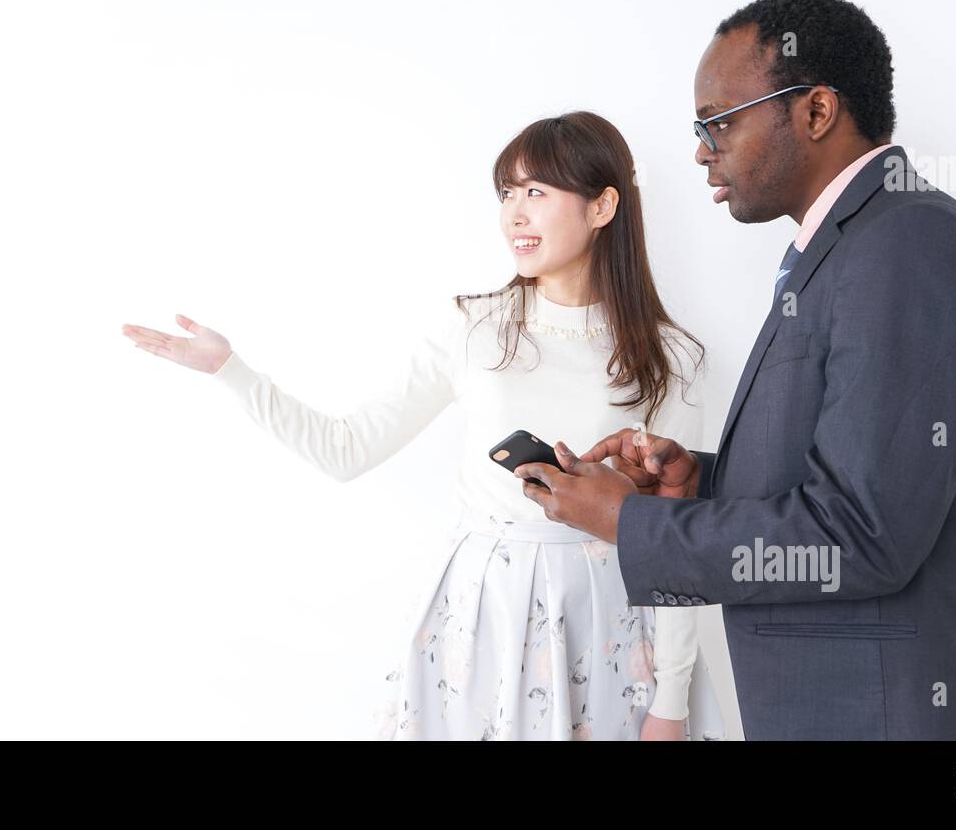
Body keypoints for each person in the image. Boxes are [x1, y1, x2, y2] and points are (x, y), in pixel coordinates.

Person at [513, 0, 956, 740]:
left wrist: (631, 524)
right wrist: (700, 483)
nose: (701, 148)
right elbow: (850, 476)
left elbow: (862, 534)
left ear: (816, 111)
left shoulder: (909, 246)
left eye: (719, 121)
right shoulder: (848, 250)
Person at [121, 111, 726, 740]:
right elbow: (346, 449)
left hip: (614, 628)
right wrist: (231, 370)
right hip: (480, 621)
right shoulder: (471, 328)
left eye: (536, 192)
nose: (513, 214)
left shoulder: (671, 358)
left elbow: (675, 540)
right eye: (507, 193)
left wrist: (672, 700)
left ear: (603, 206)